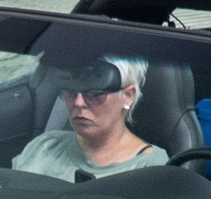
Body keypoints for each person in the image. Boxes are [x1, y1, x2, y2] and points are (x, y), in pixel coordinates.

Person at [12, 56, 165, 182]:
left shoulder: (153, 168)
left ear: (127, 96)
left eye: (95, 94)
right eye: (71, 92)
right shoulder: (44, 147)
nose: (79, 103)